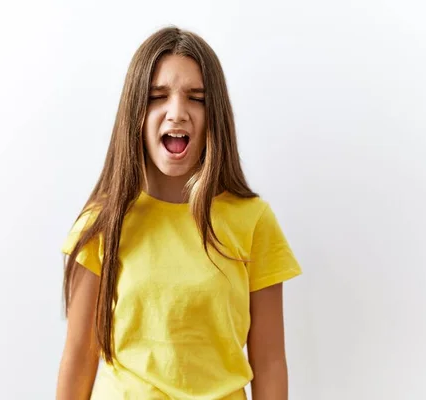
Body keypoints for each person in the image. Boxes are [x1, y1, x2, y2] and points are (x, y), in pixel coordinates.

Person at [56, 26, 302, 400]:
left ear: (213, 115)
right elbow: (78, 358)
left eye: (196, 98)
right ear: (135, 112)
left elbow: (269, 362)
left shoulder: (253, 221)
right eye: (158, 96)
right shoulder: (101, 223)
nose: (177, 113)